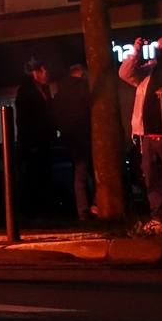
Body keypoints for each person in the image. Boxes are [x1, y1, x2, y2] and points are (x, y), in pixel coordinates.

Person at [119, 37, 162, 230]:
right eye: (159, 46)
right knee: (153, 179)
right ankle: (159, 218)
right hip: (148, 135)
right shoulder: (149, 70)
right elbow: (125, 73)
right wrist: (135, 51)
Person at [14, 57, 59, 216]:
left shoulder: (44, 89)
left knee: (44, 175)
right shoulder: (26, 92)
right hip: (34, 141)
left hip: (44, 139)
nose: (45, 73)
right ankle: (33, 211)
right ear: (34, 72)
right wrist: (29, 142)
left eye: (46, 70)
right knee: (34, 177)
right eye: (41, 70)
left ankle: (44, 210)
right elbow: (24, 119)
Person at [55, 63, 96, 220]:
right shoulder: (82, 87)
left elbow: (57, 114)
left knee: (79, 173)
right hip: (84, 132)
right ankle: (91, 208)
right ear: (80, 74)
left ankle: (83, 210)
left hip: (71, 136)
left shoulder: (61, 92)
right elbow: (90, 103)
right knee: (90, 171)